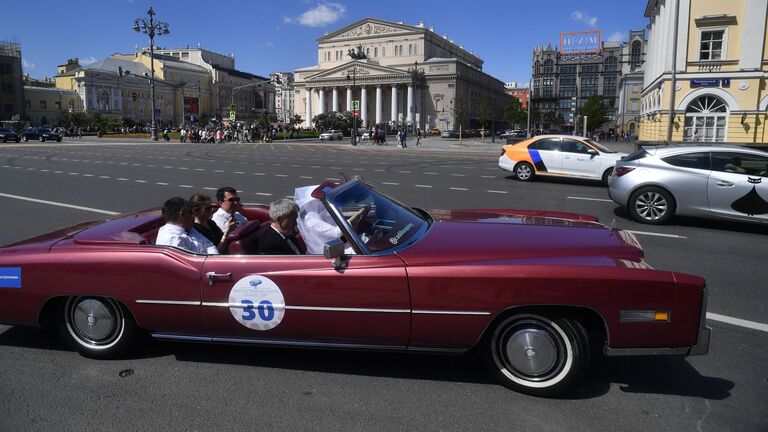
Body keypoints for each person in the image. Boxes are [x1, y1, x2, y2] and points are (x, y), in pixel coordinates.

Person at [294, 185, 367, 255]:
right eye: (320, 200)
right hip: (326, 253)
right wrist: (357, 216)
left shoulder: (321, 213)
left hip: (336, 245)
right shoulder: (312, 221)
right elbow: (336, 233)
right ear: (314, 203)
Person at [155, 197, 219, 255]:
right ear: (182, 214)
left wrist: (214, 257)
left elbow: (209, 245)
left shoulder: (188, 228)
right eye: (191, 212)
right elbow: (187, 266)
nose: (193, 216)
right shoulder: (173, 241)